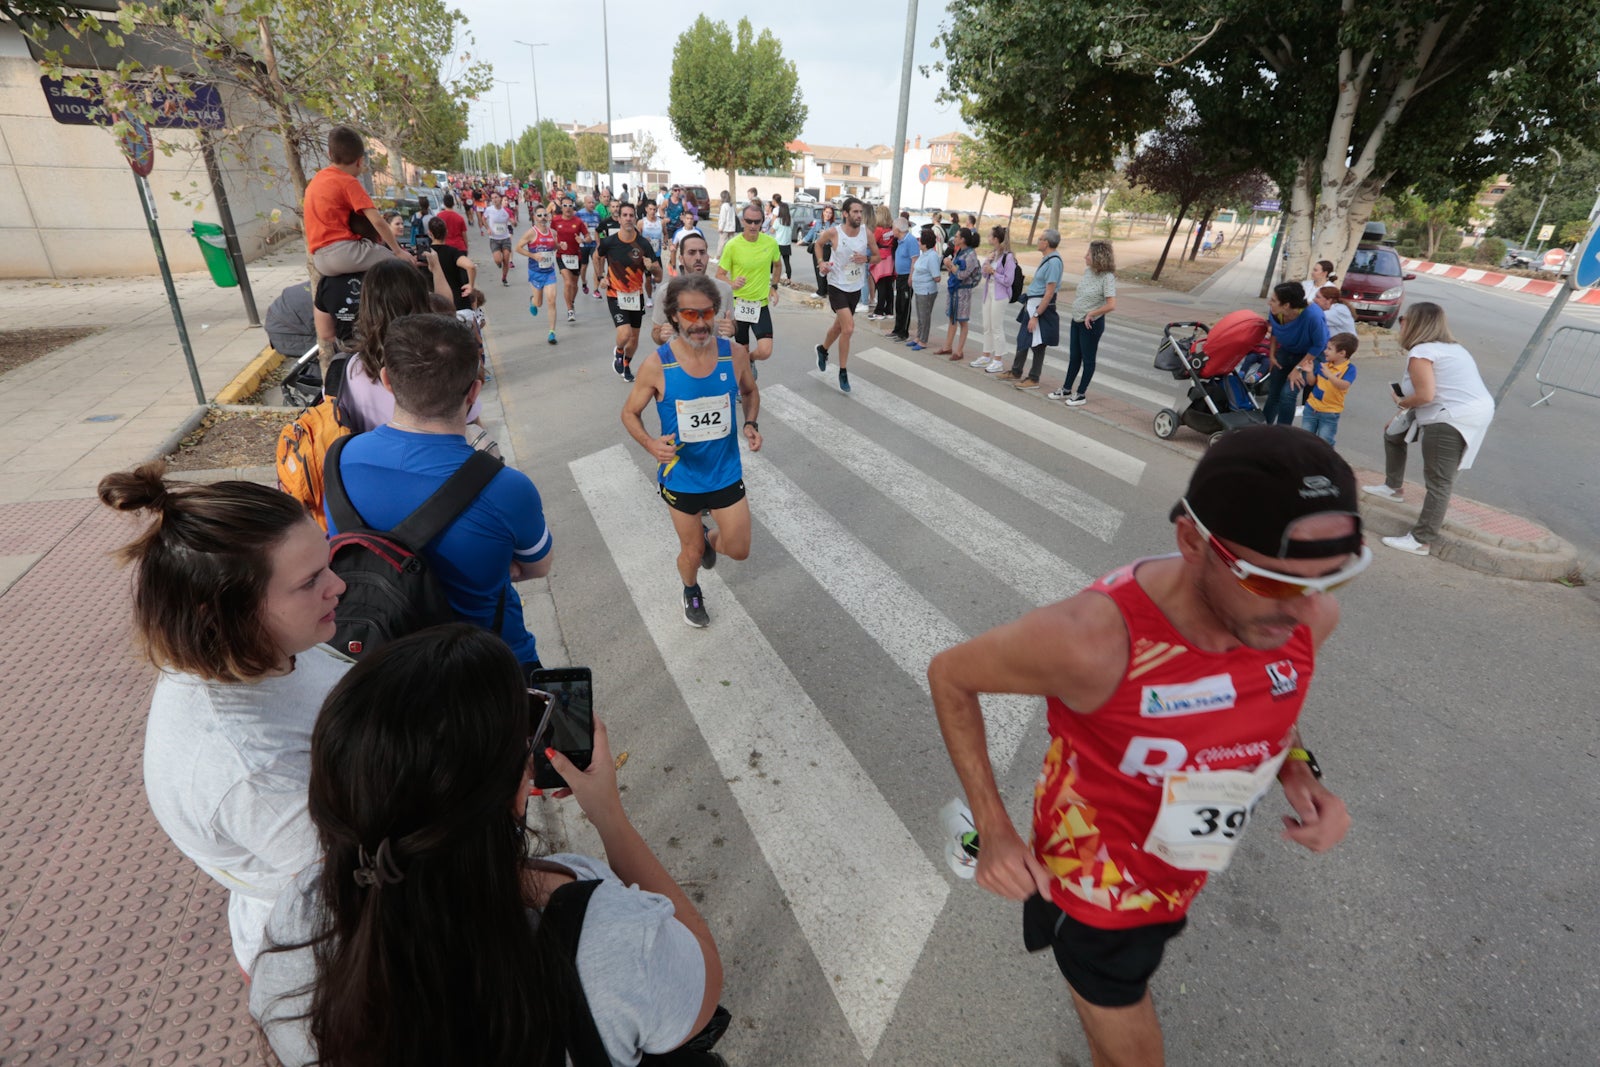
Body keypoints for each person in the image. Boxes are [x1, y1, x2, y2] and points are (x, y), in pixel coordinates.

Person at [930, 424, 1362, 1067]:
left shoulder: (1305, 615)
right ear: (1192, 540)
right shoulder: (1091, 641)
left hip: (1185, 868)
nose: (1305, 610)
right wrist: (994, 828)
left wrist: (1299, 771)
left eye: (1330, 579)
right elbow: (951, 676)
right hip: (1097, 886)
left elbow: (1272, 708)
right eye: (1272, 581)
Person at [250, 624, 722, 1066]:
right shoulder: (609, 933)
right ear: (517, 792)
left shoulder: (300, 917)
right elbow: (702, 981)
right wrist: (609, 817)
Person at [98, 462, 348, 971]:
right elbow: (370, 879)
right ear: (221, 612)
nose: (338, 586)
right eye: (309, 583)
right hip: (340, 958)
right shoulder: (250, 769)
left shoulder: (262, 649)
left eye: (328, 564)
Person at [327, 314, 553, 673]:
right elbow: (537, 566)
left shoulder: (339, 459)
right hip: (487, 668)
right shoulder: (507, 487)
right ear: (474, 392)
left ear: (386, 380)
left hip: (379, 663)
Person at [622, 274, 761, 629]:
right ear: (673, 316)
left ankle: (708, 537)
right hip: (681, 476)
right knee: (692, 554)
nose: (700, 323)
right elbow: (629, 413)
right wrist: (651, 444)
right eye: (690, 315)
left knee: (740, 549)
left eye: (707, 313)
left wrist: (751, 423)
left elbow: (749, 391)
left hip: (724, 470)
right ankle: (691, 589)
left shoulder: (735, 354)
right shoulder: (658, 364)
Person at [1362, 302, 1495, 556]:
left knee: (1439, 482)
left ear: (1415, 324)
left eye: (1404, 319)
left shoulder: (1422, 352)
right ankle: (1393, 487)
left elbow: (1425, 395)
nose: (1400, 324)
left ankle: (1421, 540)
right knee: (1393, 434)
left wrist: (1402, 403)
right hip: (1464, 410)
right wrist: (1403, 412)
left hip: (1451, 417)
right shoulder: (1452, 348)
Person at [339, 259, 486, 434]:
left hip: (371, 458)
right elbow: (471, 425)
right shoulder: (443, 356)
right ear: (423, 298)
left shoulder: (350, 370)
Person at [302, 127, 407, 372]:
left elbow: (326, 333)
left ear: (329, 154)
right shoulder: (349, 182)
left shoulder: (316, 182)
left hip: (320, 258)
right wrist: (399, 251)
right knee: (395, 263)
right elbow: (378, 221)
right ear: (360, 161)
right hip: (344, 252)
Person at [814, 196, 879, 393]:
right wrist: (821, 262)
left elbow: (878, 256)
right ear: (845, 214)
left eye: (861, 212)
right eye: (855, 212)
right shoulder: (834, 233)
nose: (859, 215)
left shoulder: (866, 233)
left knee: (838, 326)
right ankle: (842, 371)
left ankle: (822, 350)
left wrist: (866, 258)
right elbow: (817, 245)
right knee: (848, 328)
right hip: (837, 286)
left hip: (855, 287)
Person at [598, 202, 663, 383]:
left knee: (634, 339)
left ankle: (626, 363)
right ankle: (619, 352)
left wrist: (653, 268)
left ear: (635, 218)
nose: (627, 218)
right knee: (625, 334)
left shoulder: (643, 244)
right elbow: (598, 256)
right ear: (618, 218)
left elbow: (659, 277)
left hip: (636, 296)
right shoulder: (609, 242)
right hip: (615, 294)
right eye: (624, 215)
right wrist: (600, 277)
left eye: (631, 215)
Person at [1047, 239, 1118, 403]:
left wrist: (1092, 313)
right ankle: (1066, 389)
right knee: (1074, 357)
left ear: (1098, 256)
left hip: (1091, 323)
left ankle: (1080, 393)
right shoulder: (1088, 271)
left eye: (1088, 254)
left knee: (1088, 359)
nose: (1084, 256)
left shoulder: (1107, 277)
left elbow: (1111, 305)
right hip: (1077, 320)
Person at [715, 202, 783, 365]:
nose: (753, 225)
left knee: (765, 351)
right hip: (739, 305)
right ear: (742, 221)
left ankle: (750, 360)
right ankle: (744, 377)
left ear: (762, 222)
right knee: (741, 352)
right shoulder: (732, 245)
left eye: (757, 222)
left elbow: (778, 265)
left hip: (760, 304)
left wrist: (774, 286)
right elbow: (719, 275)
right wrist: (731, 283)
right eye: (749, 221)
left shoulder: (770, 243)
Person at [649, 231, 736, 355]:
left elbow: (733, 326)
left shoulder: (724, 289)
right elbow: (656, 333)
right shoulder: (666, 292)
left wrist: (732, 329)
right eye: (691, 253)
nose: (698, 257)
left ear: (707, 257)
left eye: (702, 252)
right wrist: (661, 335)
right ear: (681, 258)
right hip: (680, 361)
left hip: (714, 360)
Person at [997, 229, 1064, 382]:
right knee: (1023, 339)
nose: (1037, 241)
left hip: (1040, 307)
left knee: (1038, 344)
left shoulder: (1054, 262)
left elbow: (1049, 293)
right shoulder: (1047, 258)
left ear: (1046, 242)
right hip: (1032, 304)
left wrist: (1036, 315)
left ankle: (1033, 378)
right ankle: (1016, 371)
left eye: (1040, 238)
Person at [1263, 281, 1329, 425]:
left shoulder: (1313, 316)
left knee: (1288, 394)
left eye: (1274, 300)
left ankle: (1282, 434)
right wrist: (1272, 355)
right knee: (1274, 392)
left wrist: (1298, 369)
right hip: (1287, 351)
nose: (1269, 303)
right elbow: (1274, 330)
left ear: (1286, 305)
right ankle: (1263, 429)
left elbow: (1319, 345)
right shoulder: (1276, 312)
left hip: (1310, 356)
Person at [970, 225, 1015, 371]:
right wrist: (986, 262)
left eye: (990, 236)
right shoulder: (993, 254)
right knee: (987, 326)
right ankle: (986, 355)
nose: (988, 238)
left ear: (996, 239)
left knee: (996, 327)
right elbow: (984, 273)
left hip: (1000, 295)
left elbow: (1008, 280)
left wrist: (994, 272)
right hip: (988, 292)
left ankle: (998, 360)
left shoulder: (1008, 257)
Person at [1302, 332, 1358, 447]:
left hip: (1330, 413)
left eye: (1329, 349)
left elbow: (1344, 385)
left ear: (1342, 353)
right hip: (1311, 408)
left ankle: (1325, 463)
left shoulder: (1349, 369)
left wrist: (1330, 376)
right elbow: (1312, 382)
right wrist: (1309, 371)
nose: (1325, 351)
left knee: (1325, 442)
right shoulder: (1324, 365)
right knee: (1305, 439)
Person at [516, 205, 561, 345]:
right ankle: (533, 301)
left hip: (549, 272)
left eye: (545, 215)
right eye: (539, 215)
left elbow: (554, 247)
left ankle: (552, 332)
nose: (543, 218)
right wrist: (533, 255)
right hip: (535, 272)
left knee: (552, 300)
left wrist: (561, 246)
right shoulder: (531, 233)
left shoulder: (553, 232)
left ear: (548, 217)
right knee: (539, 303)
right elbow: (517, 248)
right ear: (535, 217)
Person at [936, 228, 981, 361]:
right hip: (954, 289)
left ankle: (959, 351)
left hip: (963, 292)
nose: (954, 239)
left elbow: (962, 274)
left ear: (963, 240)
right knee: (952, 317)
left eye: (956, 236)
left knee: (962, 321)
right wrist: (949, 266)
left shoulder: (971, 255)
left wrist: (951, 265)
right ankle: (947, 346)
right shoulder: (960, 252)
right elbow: (954, 272)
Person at [551, 199, 592, 324]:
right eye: (565, 206)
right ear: (561, 207)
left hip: (575, 257)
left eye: (570, 206)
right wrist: (556, 244)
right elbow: (551, 236)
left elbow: (589, 238)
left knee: (574, 285)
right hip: (561, 256)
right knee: (568, 283)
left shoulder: (578, 221)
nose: (568, 208)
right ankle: (570, 310)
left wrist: (583, 240)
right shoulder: (556, 220)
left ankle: (571, 302)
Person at [426, 217, 477, 311]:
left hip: (433, 304)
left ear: (429, 233)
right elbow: (470, 266)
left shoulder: (426, 254)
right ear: (446, 232)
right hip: (457, 301)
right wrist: (470, 286)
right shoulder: (453, 252)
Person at [909, 228, 941, 352]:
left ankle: (923, 340)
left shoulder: (932, 256)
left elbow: (937, 277)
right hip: (919, 290)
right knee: (920, 315)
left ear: (925, 243)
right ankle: (918, 337)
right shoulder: (924, 254)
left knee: (925, 316)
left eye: (920, 241)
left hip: (927, 291)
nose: (918, 243)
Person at [888, 217, 915, 343]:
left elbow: (915, 260)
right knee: (898, 304)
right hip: (900, 276)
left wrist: (911, 276)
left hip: (906, 277)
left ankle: (904, 332)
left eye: (893, 228)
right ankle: (897, 329)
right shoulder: (900, 240)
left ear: (898, 229)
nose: (892, 231)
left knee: (905, 305)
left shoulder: (910, 241)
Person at [480, 192, 515, 287]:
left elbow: (514, 222)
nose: (494, 199)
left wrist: (513, 222)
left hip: (505, 238)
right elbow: (483, 218)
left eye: (496, 197)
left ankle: (504, 278)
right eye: (492, 198)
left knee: (506, 258)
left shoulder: (507, 211)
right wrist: (487, 228)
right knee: (498, 260)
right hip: (494, 239)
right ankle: (499, 263)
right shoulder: (489, 209)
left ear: (500, 199)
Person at [869, 205, 896, 321]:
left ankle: (879, 311)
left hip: (881, 258)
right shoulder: (892, 229)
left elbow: (871, 242)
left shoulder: (878, 229)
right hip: (890, 257)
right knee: (889, 285)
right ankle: (889, 310)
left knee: (881, 285)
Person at [804, 203, 837, 297]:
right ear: (823, 212)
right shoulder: (818, 222)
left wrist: (826, 235)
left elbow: (834, 240)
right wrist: (803, 240)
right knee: (817, 268)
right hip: (816, 247)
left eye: (830, 213)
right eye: (826, 212)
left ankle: (821, 292)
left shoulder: (833, 225)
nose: (828, 214)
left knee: (823, 270)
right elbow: (811, 233)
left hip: (826, 248)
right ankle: (823, 290)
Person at [639, 199, 666, 306]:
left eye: (654, 209)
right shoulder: (641, 222)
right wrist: (644, 241)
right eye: (650, 209)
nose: (652, 211)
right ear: (646, 209)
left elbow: (665, 234)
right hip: (646, 256)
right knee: (648, 278)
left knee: (659, 278)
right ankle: (649, 298)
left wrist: (665, 243)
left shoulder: (661, 222)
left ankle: (654, 282)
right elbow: (637, 238)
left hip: (657, 254)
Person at [577, 195, 603, 299]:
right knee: (584, 266)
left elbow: (600, 228)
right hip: (583, 244)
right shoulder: (579, 214)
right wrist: (582, 227)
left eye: (593, 202)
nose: (592, 204)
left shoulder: (597, 214)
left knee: (596, 260)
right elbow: (575, 229)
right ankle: (584, 282)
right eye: (589, 203)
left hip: (594, 243)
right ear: (585, 203)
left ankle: (596, 289)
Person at [770, 196, 794, 282]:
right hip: (787, 244)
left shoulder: (778, 220)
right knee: (787, 261)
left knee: (773, 260)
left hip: (778, 243)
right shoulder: (791, 220)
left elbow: (772, 231)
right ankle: (788, 277)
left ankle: (771, 275)